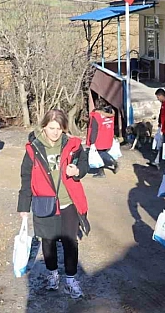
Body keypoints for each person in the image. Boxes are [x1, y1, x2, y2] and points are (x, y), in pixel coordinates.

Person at [17, 109, 90, 299]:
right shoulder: (34, 148)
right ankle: (52, 275)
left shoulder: (72, 145)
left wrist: (78, 170)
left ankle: (71, 280)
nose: (55, 132)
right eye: (51, 128)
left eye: (59, 128)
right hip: (44, 202)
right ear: (44, 127)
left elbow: (84, 162)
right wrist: (24, 207)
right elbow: (26, 178)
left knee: (70, 242)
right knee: (48, 241)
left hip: (68, 202)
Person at [86, 100, 119, 178]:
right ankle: (101, 172)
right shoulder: (110, 114)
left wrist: (92, 142)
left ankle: (114, 163)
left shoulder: (96, 115)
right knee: (101, 154)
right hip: (108, 136)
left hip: (99, 138)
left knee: (99, 153)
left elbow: (94, 129)